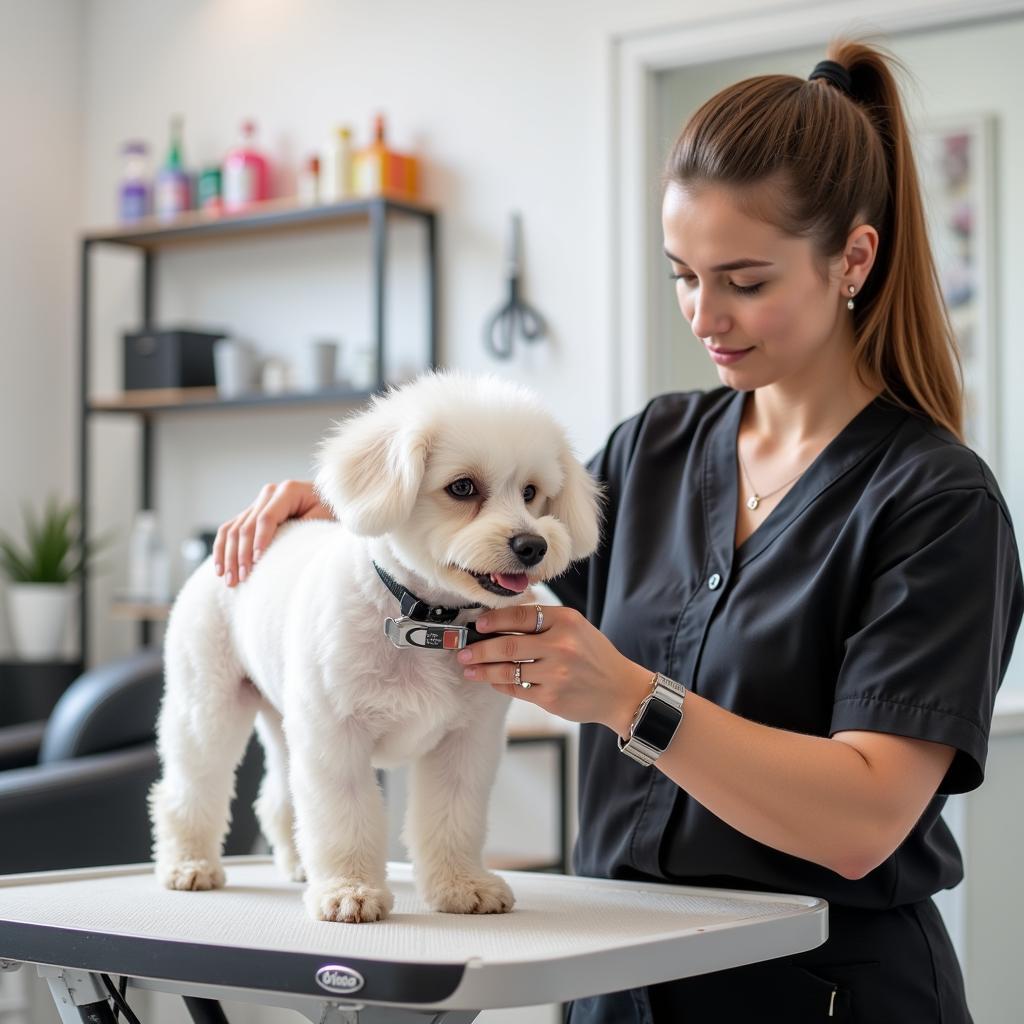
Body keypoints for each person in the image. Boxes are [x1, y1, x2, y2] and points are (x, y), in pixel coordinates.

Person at [212, 39, 1022, 1024]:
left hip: (817, 993)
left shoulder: (934, 504)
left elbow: (861, 820)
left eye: (744, 279)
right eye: (683, 273)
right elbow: (501, 535)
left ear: (852, 257)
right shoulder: (655, 447)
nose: (703, 313)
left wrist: (637, 702)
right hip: (613, 984)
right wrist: (355, 499)